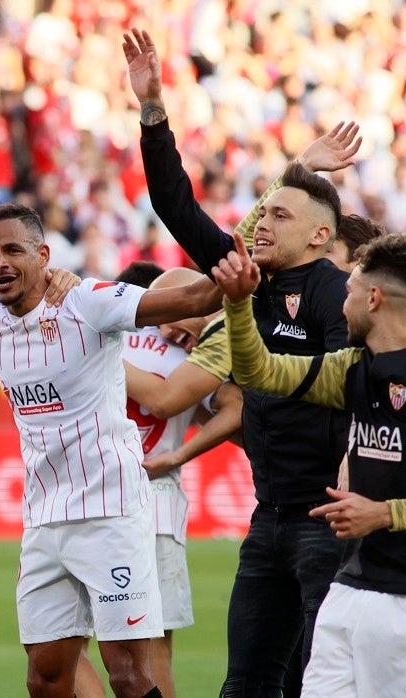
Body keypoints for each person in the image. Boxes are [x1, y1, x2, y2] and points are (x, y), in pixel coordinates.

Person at [126, 28, 362, 695]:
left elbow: (349, 387)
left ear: (320, 235)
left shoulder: (334, 295)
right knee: (247, 685)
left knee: (322, 685)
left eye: (278, 215)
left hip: (328, 517)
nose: (260, 224)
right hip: (270, 518)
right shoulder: (247, 278)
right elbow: (174, 204)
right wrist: (152, 111)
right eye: (262, 215)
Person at [213, 232, 406, 697]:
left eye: (347, 293)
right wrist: (238, 304)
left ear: (374, 297)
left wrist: (384, 513)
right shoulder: (350, 367)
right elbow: (258, 372)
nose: (340, 304)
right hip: (351, 590)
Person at [0, 202, 221, 698]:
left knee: (127, 675)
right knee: (45, 679)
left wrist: (233, 266)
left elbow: (193, 297)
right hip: (42, 518)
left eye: (12, 249)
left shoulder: (89, 301)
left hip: (112, 511)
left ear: (43, 255)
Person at [120, 267, 243, 698]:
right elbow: (235, 411)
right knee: (154, 648)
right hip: (157, 503)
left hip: (95, 496)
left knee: (75, 640)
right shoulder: (191, 359)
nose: (169, 333)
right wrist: (178, 452)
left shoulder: (101, 341)